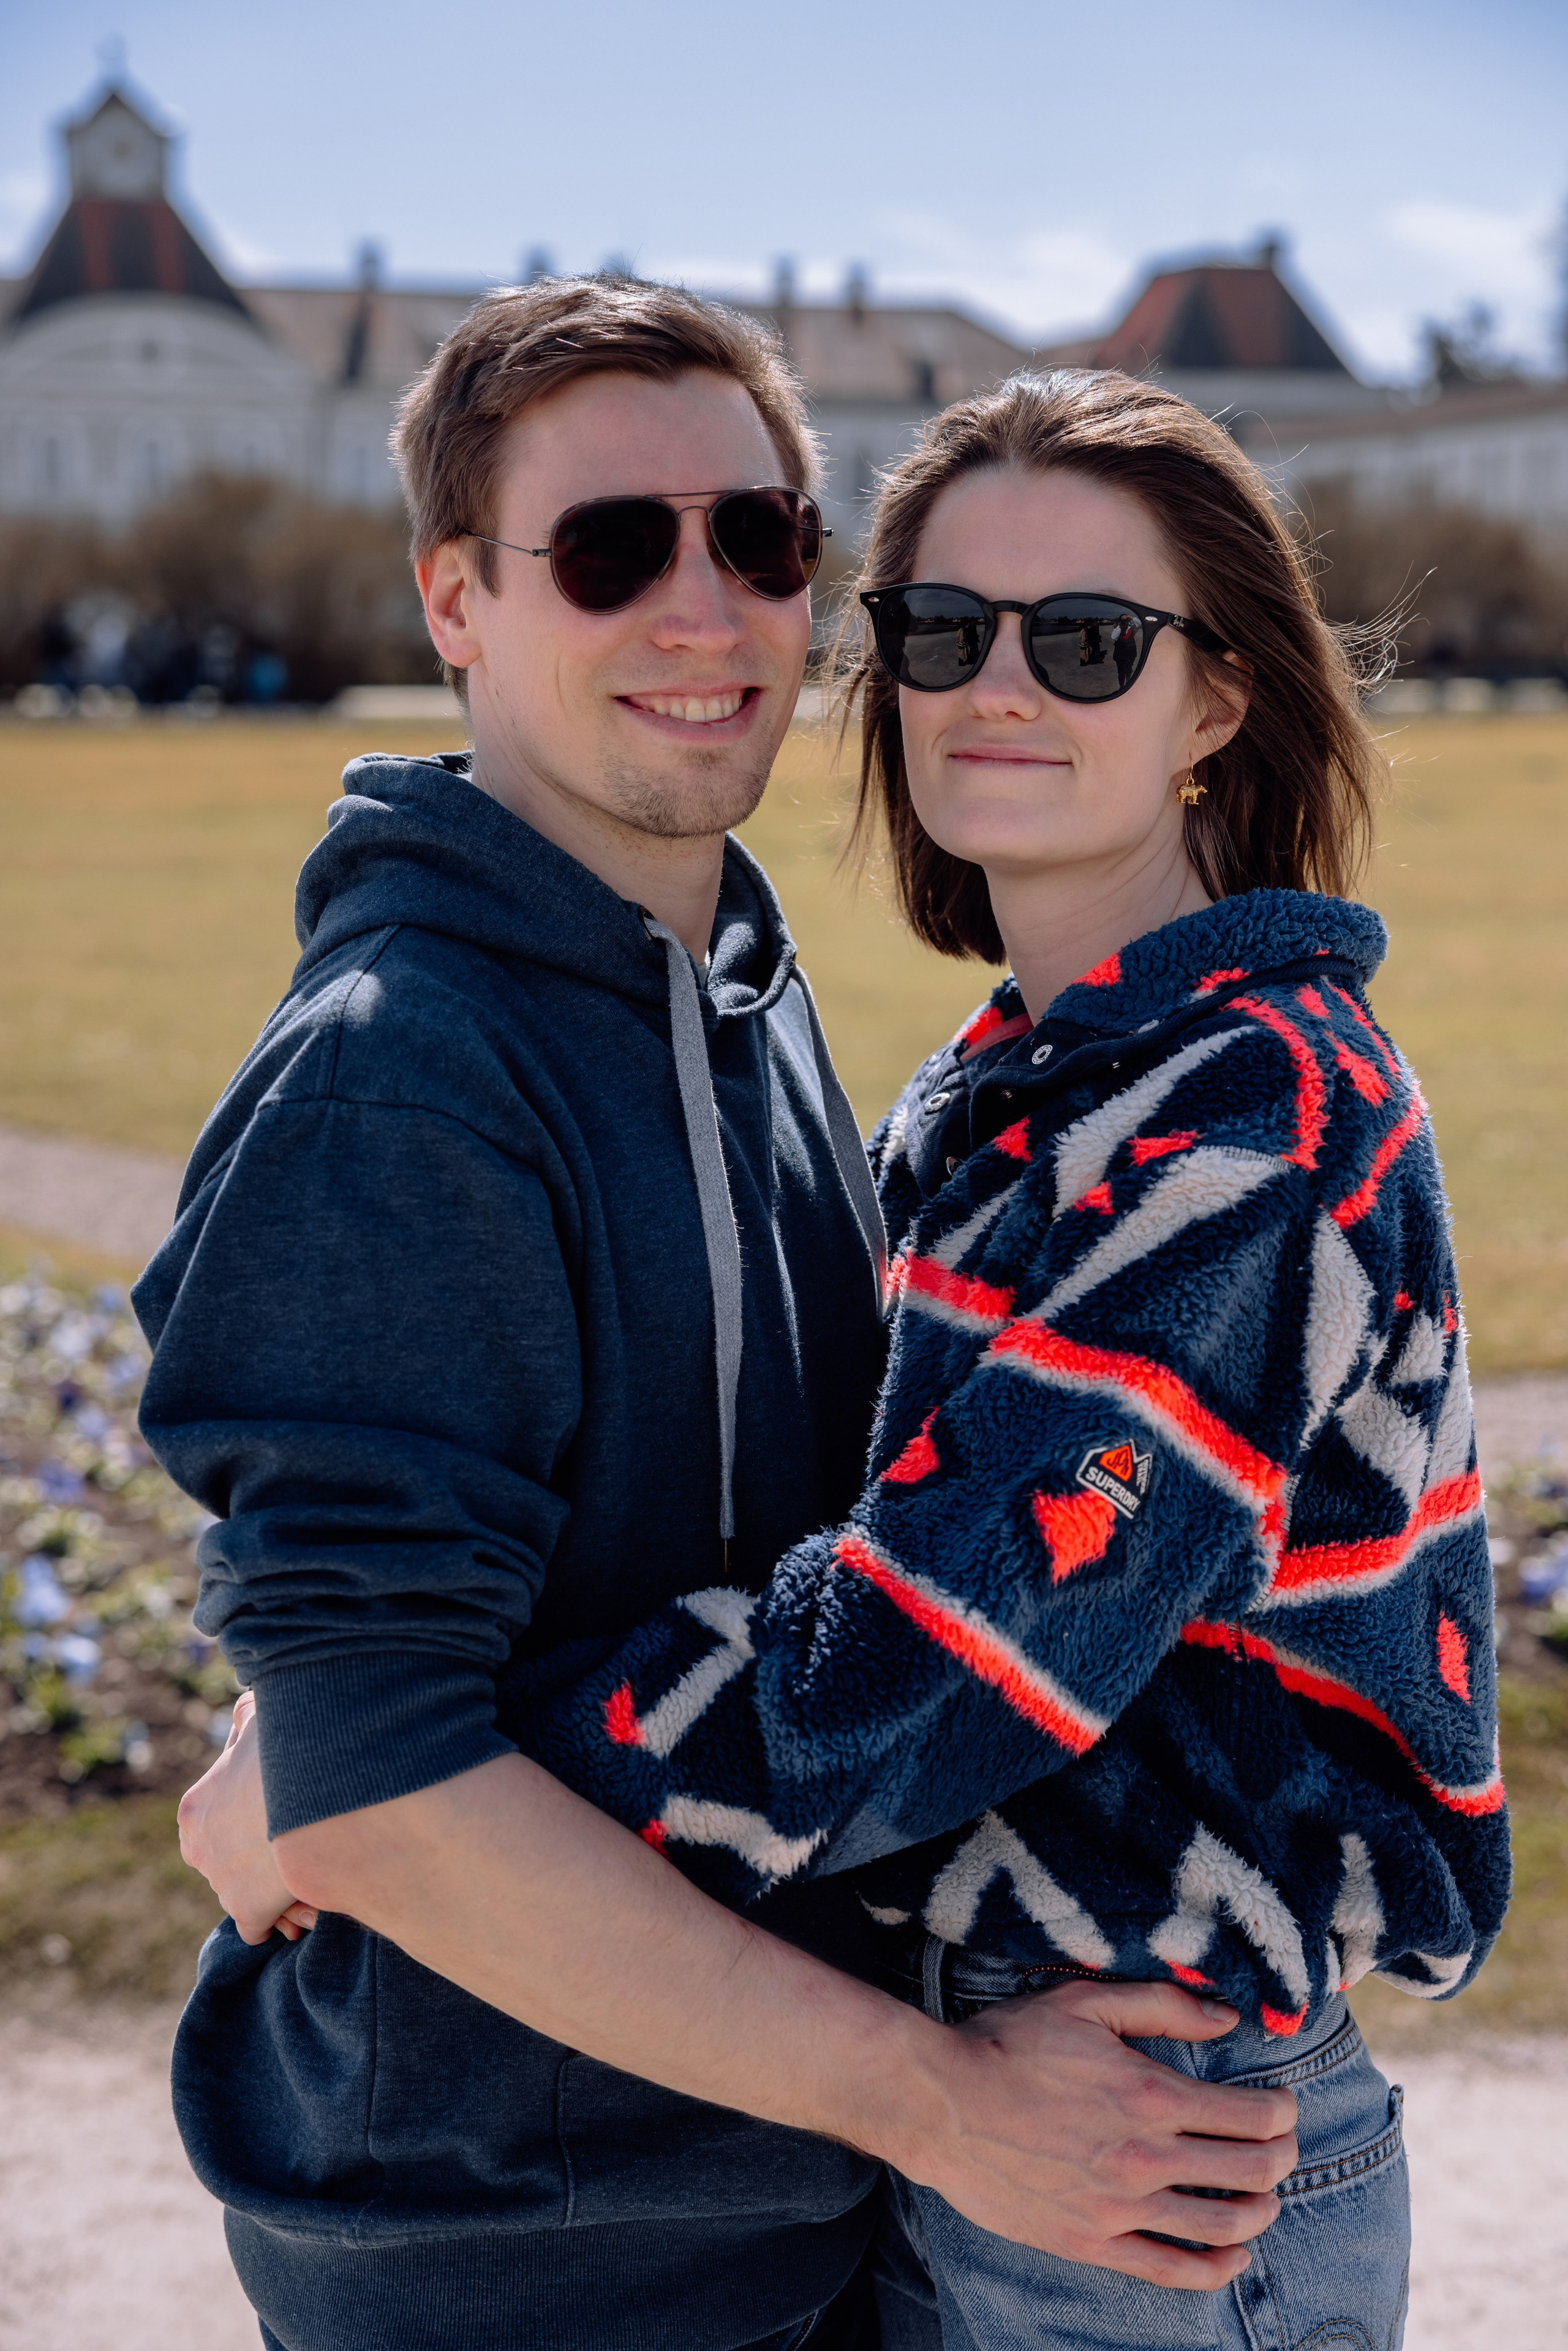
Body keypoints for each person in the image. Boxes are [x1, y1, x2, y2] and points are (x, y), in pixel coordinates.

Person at [205, 364, 1509, 2347]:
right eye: (942, 631)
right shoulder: (1004, 1085)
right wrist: (348, 1741)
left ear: (1216, 700)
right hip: (999, 2094)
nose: (1002, 689)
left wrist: (387, 1783)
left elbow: (937, 1654)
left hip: (1149, 2130)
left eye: (1088, 642)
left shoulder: (1254, 1116)